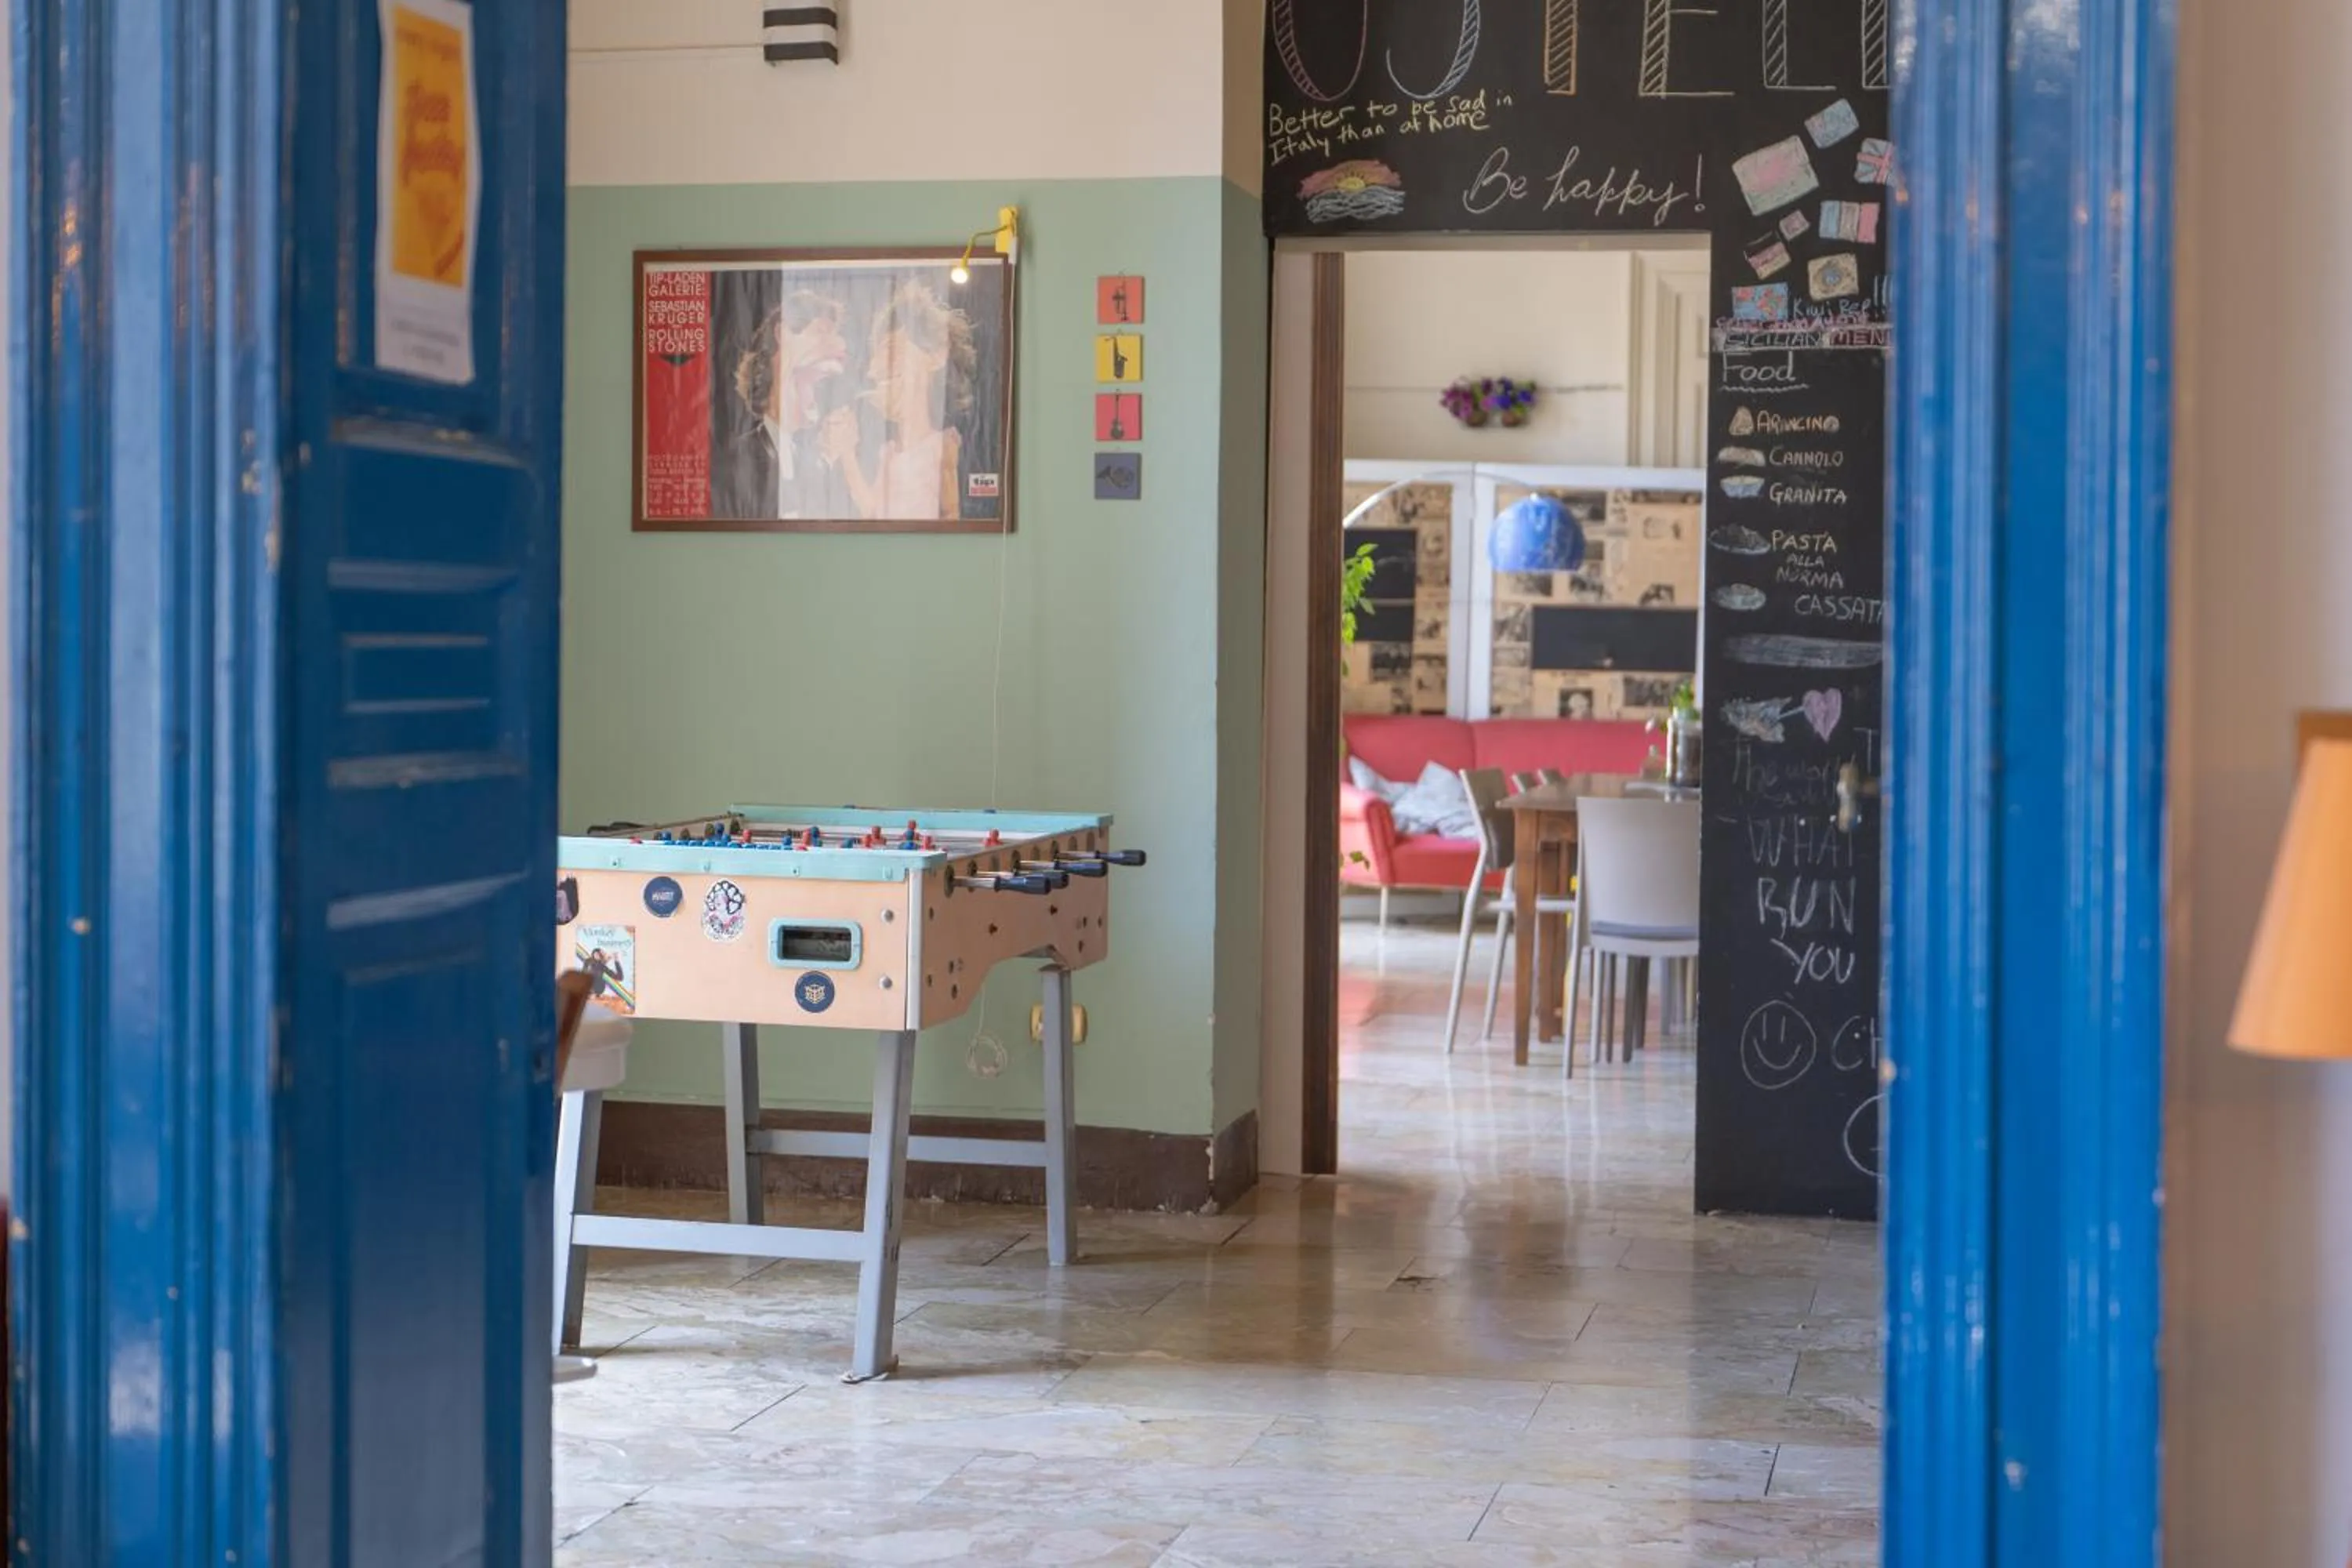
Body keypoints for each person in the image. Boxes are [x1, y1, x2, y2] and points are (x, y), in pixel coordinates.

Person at [823, 279, 976, 522]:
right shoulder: (890, 453)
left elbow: (952, 517)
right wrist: (847, 454)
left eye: (894, 350)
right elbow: (873, 513)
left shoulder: (943, 446)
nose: (875, 371)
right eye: (879, 355)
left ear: (936, 356)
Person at [731, 289, 855, 520]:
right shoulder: (741, 453)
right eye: (821, 331)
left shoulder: (811, 459)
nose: (839, 344)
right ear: (782, 333)